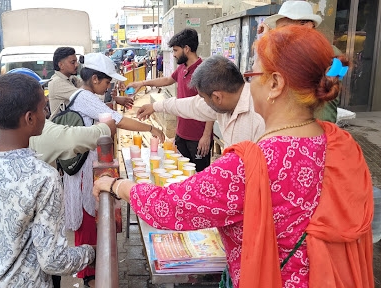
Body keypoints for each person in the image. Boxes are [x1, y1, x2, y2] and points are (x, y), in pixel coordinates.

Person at [94, 26, 374, 288]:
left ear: (275, 83)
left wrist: (117, 185)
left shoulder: (250, 163)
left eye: (252, 76)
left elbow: (170, 206)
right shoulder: (343, 145)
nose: (248, 86)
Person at [0, 72, 95, 288]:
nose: (46, 113)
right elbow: (53, 261)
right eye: (43, 107)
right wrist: (90, 252)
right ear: (29, 118)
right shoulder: (44, 177)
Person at [63, 52, 165, 288]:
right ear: (96, 79)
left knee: (92, 221)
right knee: (87, 223)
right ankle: (90, 277)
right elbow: (117, 121)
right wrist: (149, 128)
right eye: (108, 82)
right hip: (83, 174)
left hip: (88, 168)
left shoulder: (87, 96)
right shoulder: (86, 97)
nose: (109, 86)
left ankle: (93, 273)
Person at [127, 28, 214, 172]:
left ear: (186, 49)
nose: (173, 55)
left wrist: (206, 136)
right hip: (181, 133)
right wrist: (142, 84)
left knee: (198, 176)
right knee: (179, 172)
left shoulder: (203, 71)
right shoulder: (182, 68)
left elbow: (210, 105)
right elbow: (167, 80)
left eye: (175, 50)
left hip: (198, 137)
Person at [137, 55, 265, 148]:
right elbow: (191, 105)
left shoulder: (261, 117)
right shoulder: (227, 102)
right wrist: (155, 106)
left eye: (203, 98)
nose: (202, 101)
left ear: (217, 97)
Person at [258, 0, 340, 123]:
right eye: (278, 30)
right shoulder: (334, 53)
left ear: (307, 25)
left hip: (313, 127)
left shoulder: (329, 55)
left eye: (284, 28)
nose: (280, 35)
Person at [48, 47, 133, 118]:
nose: (76, 65)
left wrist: (117, 81)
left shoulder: (72, 79)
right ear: (61, 65)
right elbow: (86, 97)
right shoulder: (56, 83)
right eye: (72, 62)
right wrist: (112, 102)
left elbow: (92, 83)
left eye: (76, 61)